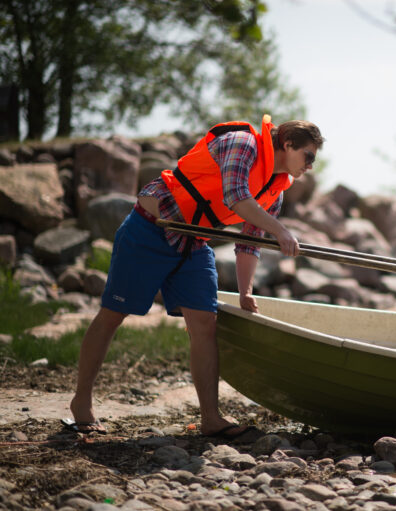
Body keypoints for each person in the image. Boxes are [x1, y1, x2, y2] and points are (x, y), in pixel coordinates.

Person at [66, 115, 324, 437]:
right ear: (287, 144)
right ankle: (82, 402)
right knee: (113, 315)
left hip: (193, 241)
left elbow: (249, 242)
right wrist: (282, 232)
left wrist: (245, 292)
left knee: (204, 323)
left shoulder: (276, 189)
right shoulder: (242, 145)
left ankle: (210, 419)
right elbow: (235, 197)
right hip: (151, 228)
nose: (310, 166)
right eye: (309, 156)